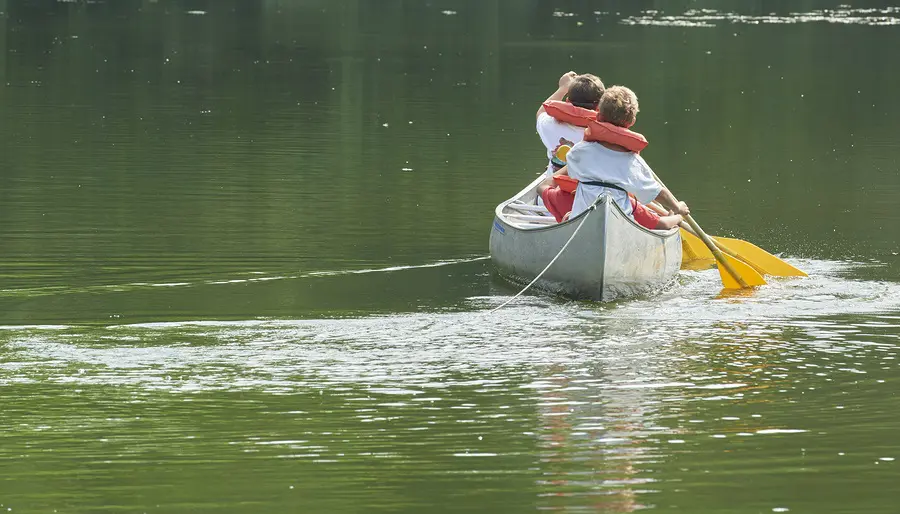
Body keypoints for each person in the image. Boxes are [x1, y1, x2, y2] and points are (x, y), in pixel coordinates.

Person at [540, 85, 689, 228]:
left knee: (546, 189)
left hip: (582, 220)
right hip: (620, 226)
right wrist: (678, 207)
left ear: (598, 115)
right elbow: (658, 193)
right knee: (664, 224)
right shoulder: (633, 162)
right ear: (632, 122)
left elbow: (568, 177)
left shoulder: (579, 151)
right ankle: (676, 217)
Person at [536, 72, 606, 177]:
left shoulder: (550, 125)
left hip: (554, 188)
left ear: (567, 102)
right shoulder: (605, 135)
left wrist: (563, 88)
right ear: (599, 107)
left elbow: (541, 113)